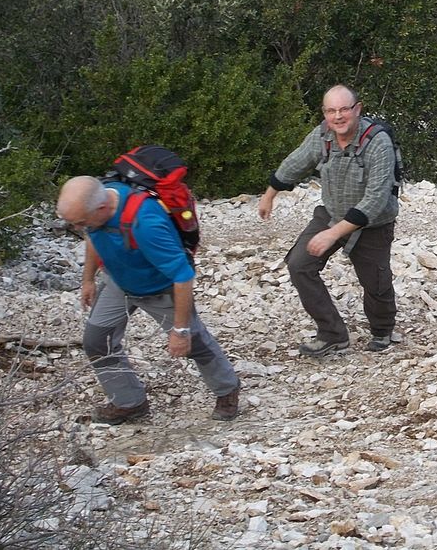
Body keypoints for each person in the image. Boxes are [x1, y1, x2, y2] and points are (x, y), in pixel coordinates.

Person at [57, 176, 240, 424]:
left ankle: (227, 389)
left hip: (160, 289)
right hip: (118, 282)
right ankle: (129, 402)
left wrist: (181, 330)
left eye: (80, 222)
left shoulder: (146, 223)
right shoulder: (97, 207)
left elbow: (183, 275)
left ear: (101, 209)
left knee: (194, 344)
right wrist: (88, 279)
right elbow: (93, 237)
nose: (78, 228)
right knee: (97, 342)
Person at [258, 84, 399, 357]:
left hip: (373, 223)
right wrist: (269, 194)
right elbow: (296, 162)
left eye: (344, 109)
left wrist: (333, 234)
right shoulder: (323, 135)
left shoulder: (378, 142)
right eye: (331, 110)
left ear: (357, 109)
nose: (338, 116)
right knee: (299, 264)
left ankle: (382, 330)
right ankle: (332, 334)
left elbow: (374, 200)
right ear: (324, 113)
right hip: (331, 212)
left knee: (376, 283)